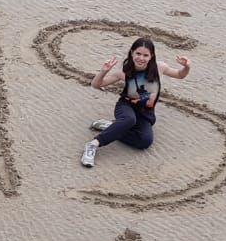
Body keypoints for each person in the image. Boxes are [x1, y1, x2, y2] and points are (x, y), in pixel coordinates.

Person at [81, 36, 191, 167]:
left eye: (145, 55)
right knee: (129, 119)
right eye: (138, 53)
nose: (141, 58)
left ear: (151, 56)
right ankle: (93, 145)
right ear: (132, 52)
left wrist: (186, 66)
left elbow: (180, 74)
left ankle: (112, 127)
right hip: (126, 107)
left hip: (145, 113)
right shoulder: (125, 72)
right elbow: (96, 85)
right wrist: (103, 72)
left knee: (144, 141)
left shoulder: (159, 67)